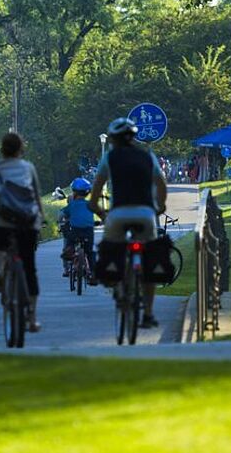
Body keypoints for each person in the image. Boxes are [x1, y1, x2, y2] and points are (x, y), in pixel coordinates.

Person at [89, 117, 168, 329]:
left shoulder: (109, 158)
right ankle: (148, 313)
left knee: (110, 247)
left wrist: (97, 209)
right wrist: (160, 206)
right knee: (150, 259)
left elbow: (96, 189)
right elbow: (161, 184)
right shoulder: (147, 156)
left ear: (113, 139)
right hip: (145, 214)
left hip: (118, 213)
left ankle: (116, 281)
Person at [0, 132, 44, 333]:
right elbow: (37, 195)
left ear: (2, 149)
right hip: (27, 220)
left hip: (2, 218)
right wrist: (40, 217)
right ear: (21, 149)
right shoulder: (28, 167)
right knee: (30, 267)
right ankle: (32, 318)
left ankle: (1, 270)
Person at [60, 177, 97, 283]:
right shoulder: (90, 204)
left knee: (70, 241)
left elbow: (62, 215)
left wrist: (61, 222)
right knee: (90, 252)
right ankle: (93, 274)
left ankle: (69, 251)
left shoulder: (72, 205)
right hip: (88, 232)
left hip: (75, 231)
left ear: (74, 192)